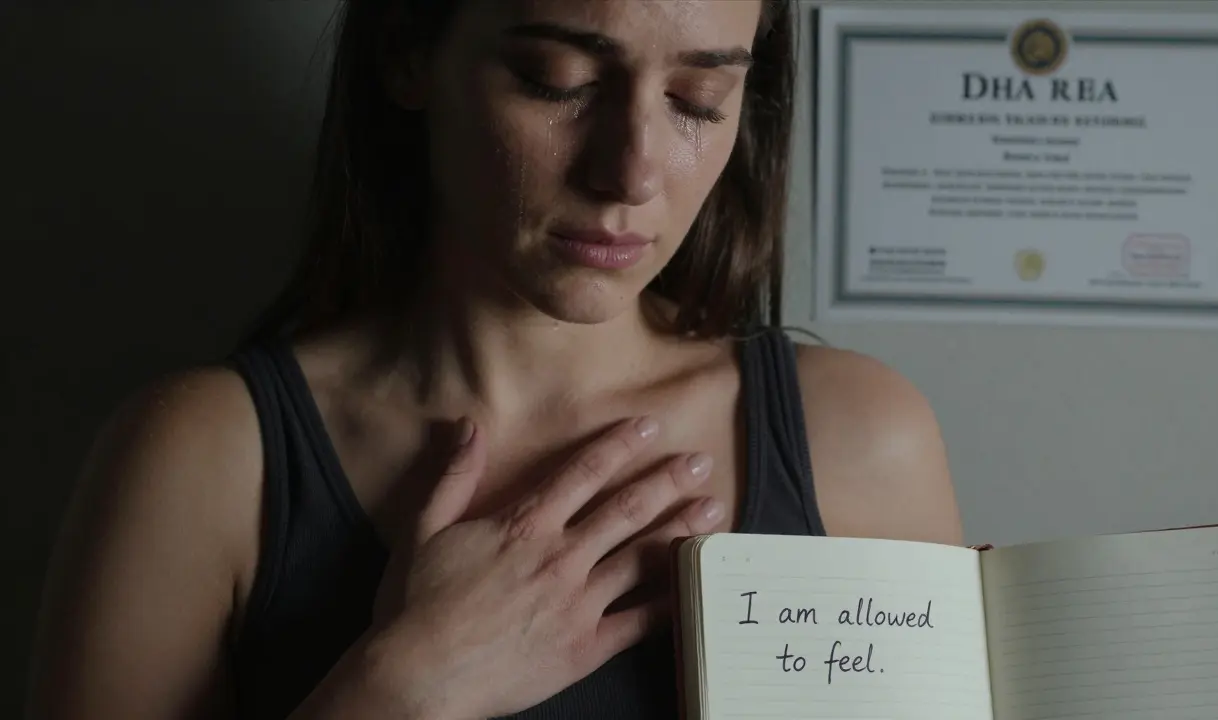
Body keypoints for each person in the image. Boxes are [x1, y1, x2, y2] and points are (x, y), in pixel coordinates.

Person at [26, 0, 963, 718]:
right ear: (409, 51)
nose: (631, 173)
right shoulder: (203, 458)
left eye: (697, 100)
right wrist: (395, 690)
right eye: (559, 80)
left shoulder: (861, 438)